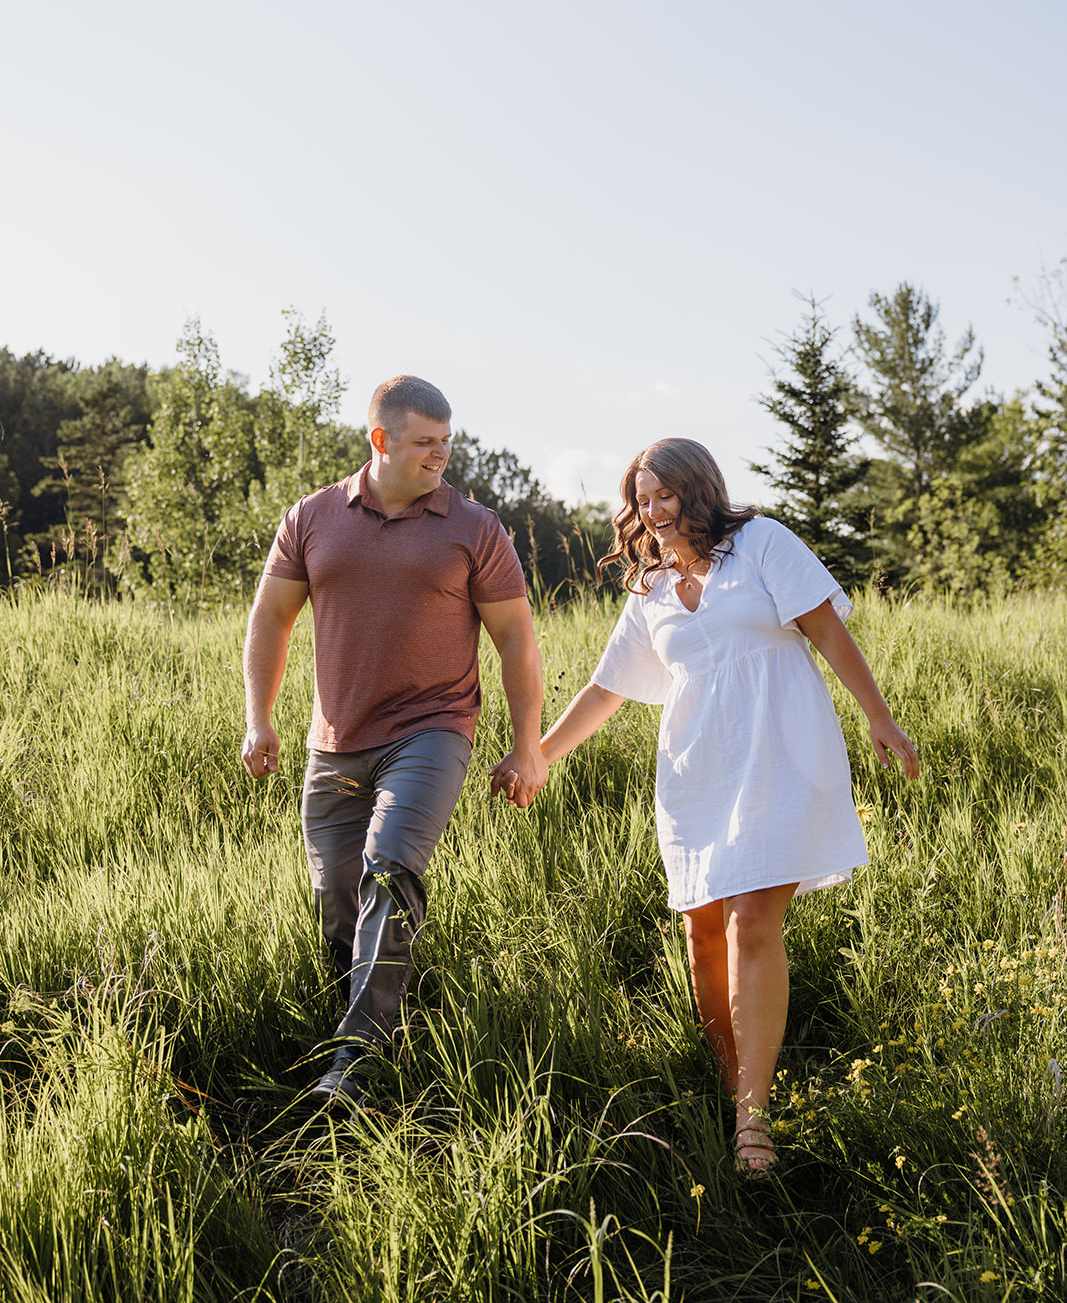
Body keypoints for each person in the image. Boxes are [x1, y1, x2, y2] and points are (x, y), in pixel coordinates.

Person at [534, 438, 918, 1173]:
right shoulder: (647, 589)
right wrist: (540, 756)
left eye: (663, 496)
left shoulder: (761, 544)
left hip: (781, 754)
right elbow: (605, 688)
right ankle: (734, 1082)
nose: (651, 511)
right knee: (702, 933)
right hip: (696, 772)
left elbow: (827, 632)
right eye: (641, 499)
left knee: (749, 924)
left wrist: (878, 717)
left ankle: (752, 1121)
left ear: (697, 490)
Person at [241, 374, 549, 1112]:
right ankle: (358, 1031)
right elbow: (270, 620)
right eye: (424, 443)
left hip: (433, 728)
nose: (440, 456)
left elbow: (516, 639)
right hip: (335, 740)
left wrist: (526, 744)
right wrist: (259, 718)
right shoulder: (312, 517)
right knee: (336, 896)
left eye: (447, 443)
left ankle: (354, 1062)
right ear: (380, 440)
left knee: (389, 867)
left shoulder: (474, 526)